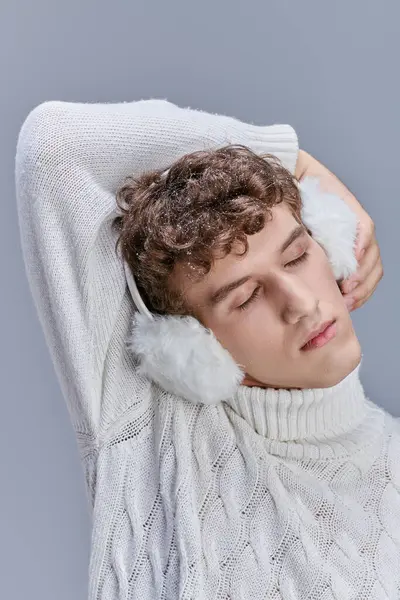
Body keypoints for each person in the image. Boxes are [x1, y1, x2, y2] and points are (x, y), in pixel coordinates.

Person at [15, 99, 395, 600]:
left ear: (330, 242)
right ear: (192, 346)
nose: (300, 304)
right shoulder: (151, 425)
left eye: (299, 255)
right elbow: (54, 147)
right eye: (248, 297)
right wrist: (297, 159)